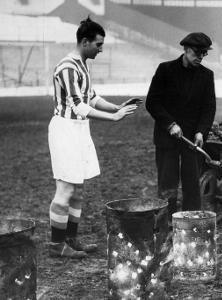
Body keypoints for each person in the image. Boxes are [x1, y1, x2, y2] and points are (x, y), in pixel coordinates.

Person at [48, 17, 141, 258]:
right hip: (65, 129)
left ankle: (70, 239)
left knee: (77, 190)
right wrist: (114, 118)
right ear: (85, 41)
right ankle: (56, 245)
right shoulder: (67, 66)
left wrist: (117, 107)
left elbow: (91, 98)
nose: (100, 49)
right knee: (65, 189)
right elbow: (78, 105)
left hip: (80, 129)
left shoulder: (83, 65)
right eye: (98, 44)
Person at [146, 32, 216, 221]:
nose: (200, 58)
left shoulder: (207, 76)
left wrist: (202, 131)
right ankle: (165, 223)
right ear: (185, 49)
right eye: (196, 53)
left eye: (204, 54)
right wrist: (170, 124)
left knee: (192, 185)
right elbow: (152, 102)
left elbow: (209, 108)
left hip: (192, 140)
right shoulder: (165, 70)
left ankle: (190, 223)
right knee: (167, 184)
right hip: (166, 138)